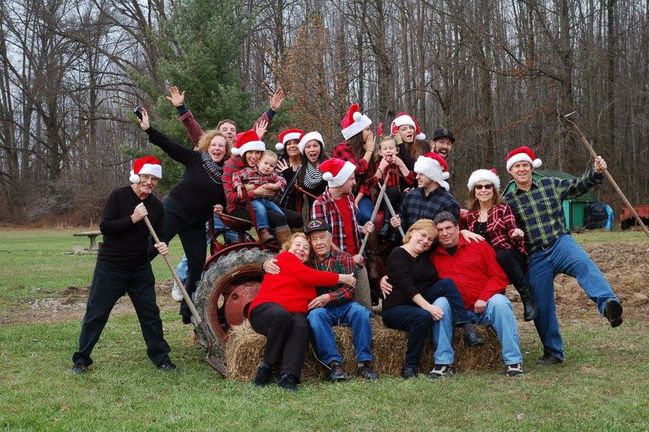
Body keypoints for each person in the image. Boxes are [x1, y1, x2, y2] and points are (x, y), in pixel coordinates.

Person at [503, 146, 623, 365]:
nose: (521, 170)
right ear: (511, 172)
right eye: (517, 167)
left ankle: (609, 306)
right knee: (541, 304)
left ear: (531, 167)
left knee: (583, 265)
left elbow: (578, 186)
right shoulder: (508, 200)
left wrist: (596, 172)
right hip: (536, 255)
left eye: (525, 165)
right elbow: (501, 227)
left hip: (560, 243)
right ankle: (553, 352)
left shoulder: (550, 184)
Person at [71, 156, 175, 373]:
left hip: (139, 269)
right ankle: (82, 359)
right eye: (146, 177)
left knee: (150, 314)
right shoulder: (118, 196)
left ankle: (161, 358)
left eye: (154, 179)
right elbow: (106, 227)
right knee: (97, 312)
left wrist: (161, 245)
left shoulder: (156, 206)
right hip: (111, 267)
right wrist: (133, 218)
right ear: (137, 176)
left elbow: (160, 235)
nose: (149, 182)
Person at [138, 110, 226, 324]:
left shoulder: (227, 175)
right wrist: (149, 129)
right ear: (207, 145)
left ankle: (188, 311)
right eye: (214, 144)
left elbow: (227, 199)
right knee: (153, 247)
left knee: (197, 266)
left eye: (221, 146)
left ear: (226, 150)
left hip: (196, 223)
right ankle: (127, 278)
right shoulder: (195, 159)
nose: (217, 148)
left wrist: (220, 207)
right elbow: (169, 146)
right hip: (174, 210)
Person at [248, 233, 356, 391]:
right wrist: (341, 277)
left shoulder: (308, 274)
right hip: (266, 310)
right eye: (297, 245)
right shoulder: (284, 258)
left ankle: (289, 376)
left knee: (301, 325)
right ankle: (266, 367)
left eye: (305, 248)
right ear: (288, 247)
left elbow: (310, 280)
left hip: (293, 314)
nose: (301, 249)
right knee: (282, 316)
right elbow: (308, 275)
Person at [382, 219, 484, 379]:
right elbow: (408, 288)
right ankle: (410, 367)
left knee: (447, 283)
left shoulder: (425, 252)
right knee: (422, 317)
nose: (425, 241)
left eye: (430, 239)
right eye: (423, 235)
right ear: (412, 231)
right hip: (397, 307)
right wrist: (430, 308)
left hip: (419, 300)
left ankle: (467, 327)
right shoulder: (398, 254)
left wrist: (463, 231)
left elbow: (449, 237)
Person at [431, 212, 525, 376]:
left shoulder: (477, 244)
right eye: (439, 230)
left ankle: (513, 362)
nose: (444, 233)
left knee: (500, 302)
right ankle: (443, 363)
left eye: (448, 228)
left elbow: (499, 275)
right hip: (456, 313)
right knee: (439, 303)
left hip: (484, 307)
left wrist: (484, 297)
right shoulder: (432, 255)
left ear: (458, 228)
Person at [463, 168, 538, 321]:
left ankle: (527, 298)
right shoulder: (471, 215)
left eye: (487, 186)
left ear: (494, 190)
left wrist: (517, 233)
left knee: (501, 255)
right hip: (488, 262)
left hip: (510, 256)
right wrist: (463, 232)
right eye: (479, 187)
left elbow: (512, 231)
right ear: (474, 191)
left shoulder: (503, 208)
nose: (483, 190)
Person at [311, 158, 375, 309]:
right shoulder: (320, 204)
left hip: (358, 259)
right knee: (341, 308)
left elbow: (349, 225)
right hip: (337, 265)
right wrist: (348, 257)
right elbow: (322, 239)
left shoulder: (350, 197)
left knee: (365, 308)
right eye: (351, 179)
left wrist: (362, 228)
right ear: (339, 180)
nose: (354, 183)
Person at [390, 152, 460, 233]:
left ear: (433, 175)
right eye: (417, 173)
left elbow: (451, 235)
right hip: (409, 244)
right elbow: (402, 221)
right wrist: (398, 223)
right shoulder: (411, 196)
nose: (417, 177)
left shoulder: (449, 203)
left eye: (421, 174)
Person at [332, 103, 376, 225]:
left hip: (361, 194)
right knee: (354, 215)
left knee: (367, 217)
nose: (370, 133)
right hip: (343, 193)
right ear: (357, 132)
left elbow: (368, 179)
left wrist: (357, 200)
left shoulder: (365, 150)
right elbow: (356, 170)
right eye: (367, 129)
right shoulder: (341, 148)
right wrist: (369, 151)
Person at [232, 149, 287, 243]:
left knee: (279, 212)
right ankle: (263, 231)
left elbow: (282, 180)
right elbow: (236, 175)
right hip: (253, 200)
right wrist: (238, 185)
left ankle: (278, 235)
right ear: (258, 162)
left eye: (271, 165)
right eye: (265, 163)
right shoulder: (249, 171)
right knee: (260, 209)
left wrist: (276, 185)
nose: (267, 167)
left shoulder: (272, 175)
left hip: (266, 200)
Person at [372, 136, 415, 235]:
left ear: (397, 150)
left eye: (391, 148)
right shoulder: (378, 164)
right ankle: (386, 223)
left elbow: (411, 181)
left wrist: (401, 165)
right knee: (392, 190)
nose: (388, 151)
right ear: (380, 152)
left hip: (397, 197)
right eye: (385, 149)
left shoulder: (399, 162)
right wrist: (381, 168)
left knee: (404, 194)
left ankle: (398, 229)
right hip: (382, 198)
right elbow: (374, 184)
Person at [273, 128, 305, 211]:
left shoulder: (305, 165)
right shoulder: (278, 160)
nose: (292, 146)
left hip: (292, 209)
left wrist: (289, 175)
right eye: (289, 144)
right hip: (272, 204)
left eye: (296, 143)